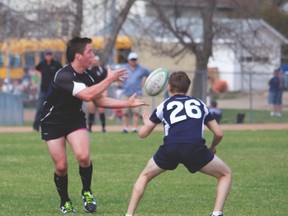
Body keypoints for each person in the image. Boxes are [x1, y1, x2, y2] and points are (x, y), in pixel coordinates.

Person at [40, 37, 148, 214]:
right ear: (78, 56)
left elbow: (100, 100)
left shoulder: (87, 76)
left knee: (83, 157)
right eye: (89, 51)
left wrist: (127, 104)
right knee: (61, 167)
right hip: (52, 122)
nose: (93, 55)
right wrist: (110, 79)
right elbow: (88, 95)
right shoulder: (63, 75)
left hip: (74, 119)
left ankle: (87, 191)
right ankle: (65, 200)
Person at [125, 71, 232, 216]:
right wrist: (212, 147)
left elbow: (142, 134)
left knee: (145, 176)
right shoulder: (200, 104)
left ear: (168, 88)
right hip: (195, 148)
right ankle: (216, 213)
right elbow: (219, 133)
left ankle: (129, 214)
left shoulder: (164, 105)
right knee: (225, 174)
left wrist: (146, 123)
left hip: (171, 148)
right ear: (187, 88)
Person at [33, 49, 62, 131]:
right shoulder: (42, 64)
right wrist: (39, 75)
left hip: (54, 91)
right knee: (40, 108)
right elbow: (36, 69)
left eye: (49, 54)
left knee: (55, 109)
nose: (48, 56)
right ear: (45, 56)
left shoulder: (56, 64)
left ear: (51, 55)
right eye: (47, 55)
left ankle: (56, 125)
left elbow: (62, 72)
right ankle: (36, 127)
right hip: (43, 90)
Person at [121, 52, 150, 133]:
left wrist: (145, 83)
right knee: (125, 112)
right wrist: (119, 83)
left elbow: (149, 75)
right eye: (132, 59)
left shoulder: (141, 69)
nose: (133, 61)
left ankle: (134, 128)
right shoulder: (124, 68)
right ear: (128, 60)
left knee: (136, 112)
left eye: (134, 59)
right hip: (126, 92)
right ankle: (125, 128)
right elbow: (116, 76)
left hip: (137, 93)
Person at [86, 56, 107, 132]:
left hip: (100, 92)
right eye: (93, 60)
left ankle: (103, 127)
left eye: (96, 60)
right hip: (91, 92)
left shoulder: (102, 70)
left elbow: (106, 81)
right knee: (91, 110)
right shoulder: (89, 70)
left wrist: (105, 91)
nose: (94, 62)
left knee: (101, 110)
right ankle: (90, 127)